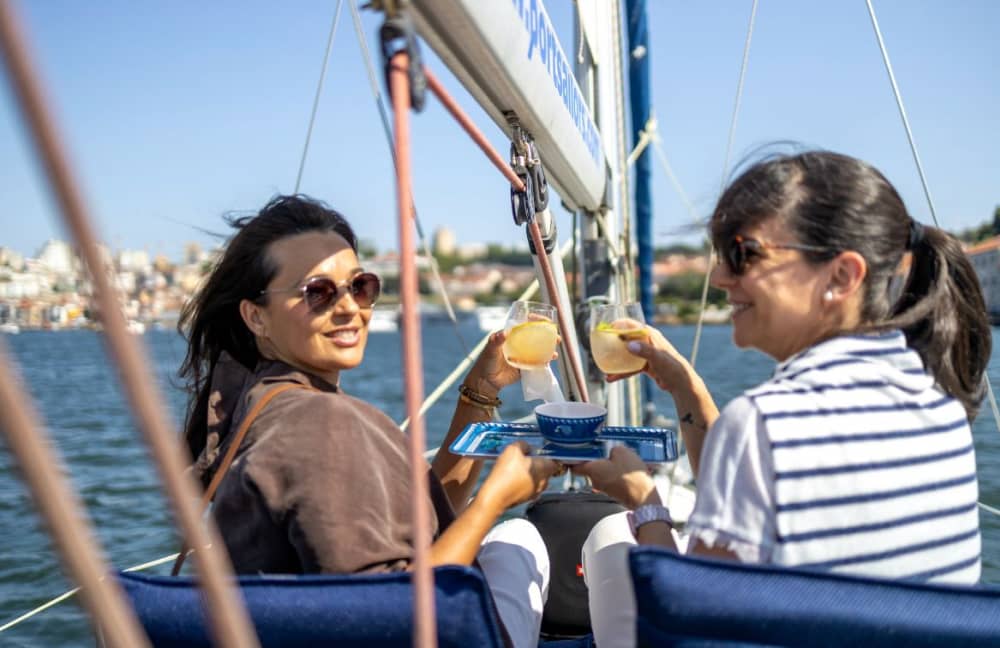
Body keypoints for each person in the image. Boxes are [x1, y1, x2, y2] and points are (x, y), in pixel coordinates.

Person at [574, 150, 991, 648]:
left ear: (841, 277)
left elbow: (692, 631)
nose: (720, 277)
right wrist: (687, 387)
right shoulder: (943, 410)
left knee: (607, 537)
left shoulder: (761, 424)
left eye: (743, 254)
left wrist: (645, 503)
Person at [178, 194, 560, 648]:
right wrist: (497, 498)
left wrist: (482, 389)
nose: (348, 308)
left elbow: (426, 518)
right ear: (255, 316)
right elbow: (396, 612)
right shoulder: (321, 422)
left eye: (360, 286)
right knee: (521, 537)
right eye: (316, 292)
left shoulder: (264, 405)